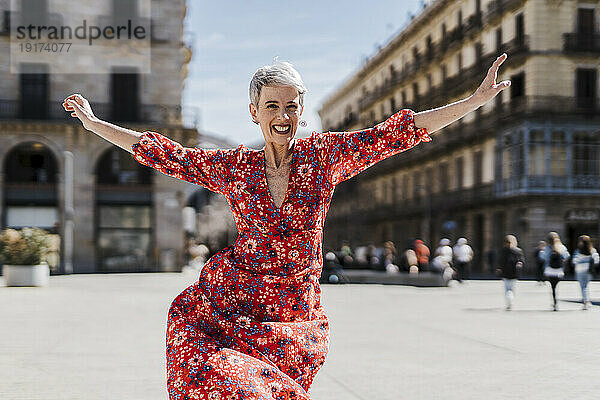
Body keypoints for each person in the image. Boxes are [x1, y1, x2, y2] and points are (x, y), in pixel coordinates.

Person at [63, 52, 511, 398]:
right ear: (253, 112)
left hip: (295, 314)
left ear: (301, 110)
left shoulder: (324, 156)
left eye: (292, 107)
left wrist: (473, 102)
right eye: (272, 106)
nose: (283, 116)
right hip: (234, 307)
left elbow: (398, 131)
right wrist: (96, 124)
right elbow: (163, 152)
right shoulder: (235, 166)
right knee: (222, 380)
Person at [540, 232, 570, 311]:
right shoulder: (562, 247)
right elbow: (567, 256)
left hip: (549, 270)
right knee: (556, 285)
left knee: (552, 287)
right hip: (559, 270)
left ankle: (554, 302)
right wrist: (562, 262)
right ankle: (555, 300)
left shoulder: (547, 248)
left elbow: (542, 257)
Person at [496, 235, 524, 311]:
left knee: (507, 288)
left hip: (505, 272)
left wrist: (499, 268)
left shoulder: (503, 251)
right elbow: (521, 261)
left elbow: (500, 261)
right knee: (512, 288)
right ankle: (511, 300)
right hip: (514, 272)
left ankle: (509, 301)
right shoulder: (518, 251)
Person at [571, 235, 599, 310]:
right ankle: (587, 300)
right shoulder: (592, 250)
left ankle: (586, 301)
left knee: (583, 286)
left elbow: (574, 260)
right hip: (588, 269)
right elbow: (597, 260)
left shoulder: (578, 251)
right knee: (586, 286)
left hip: (579, 269)